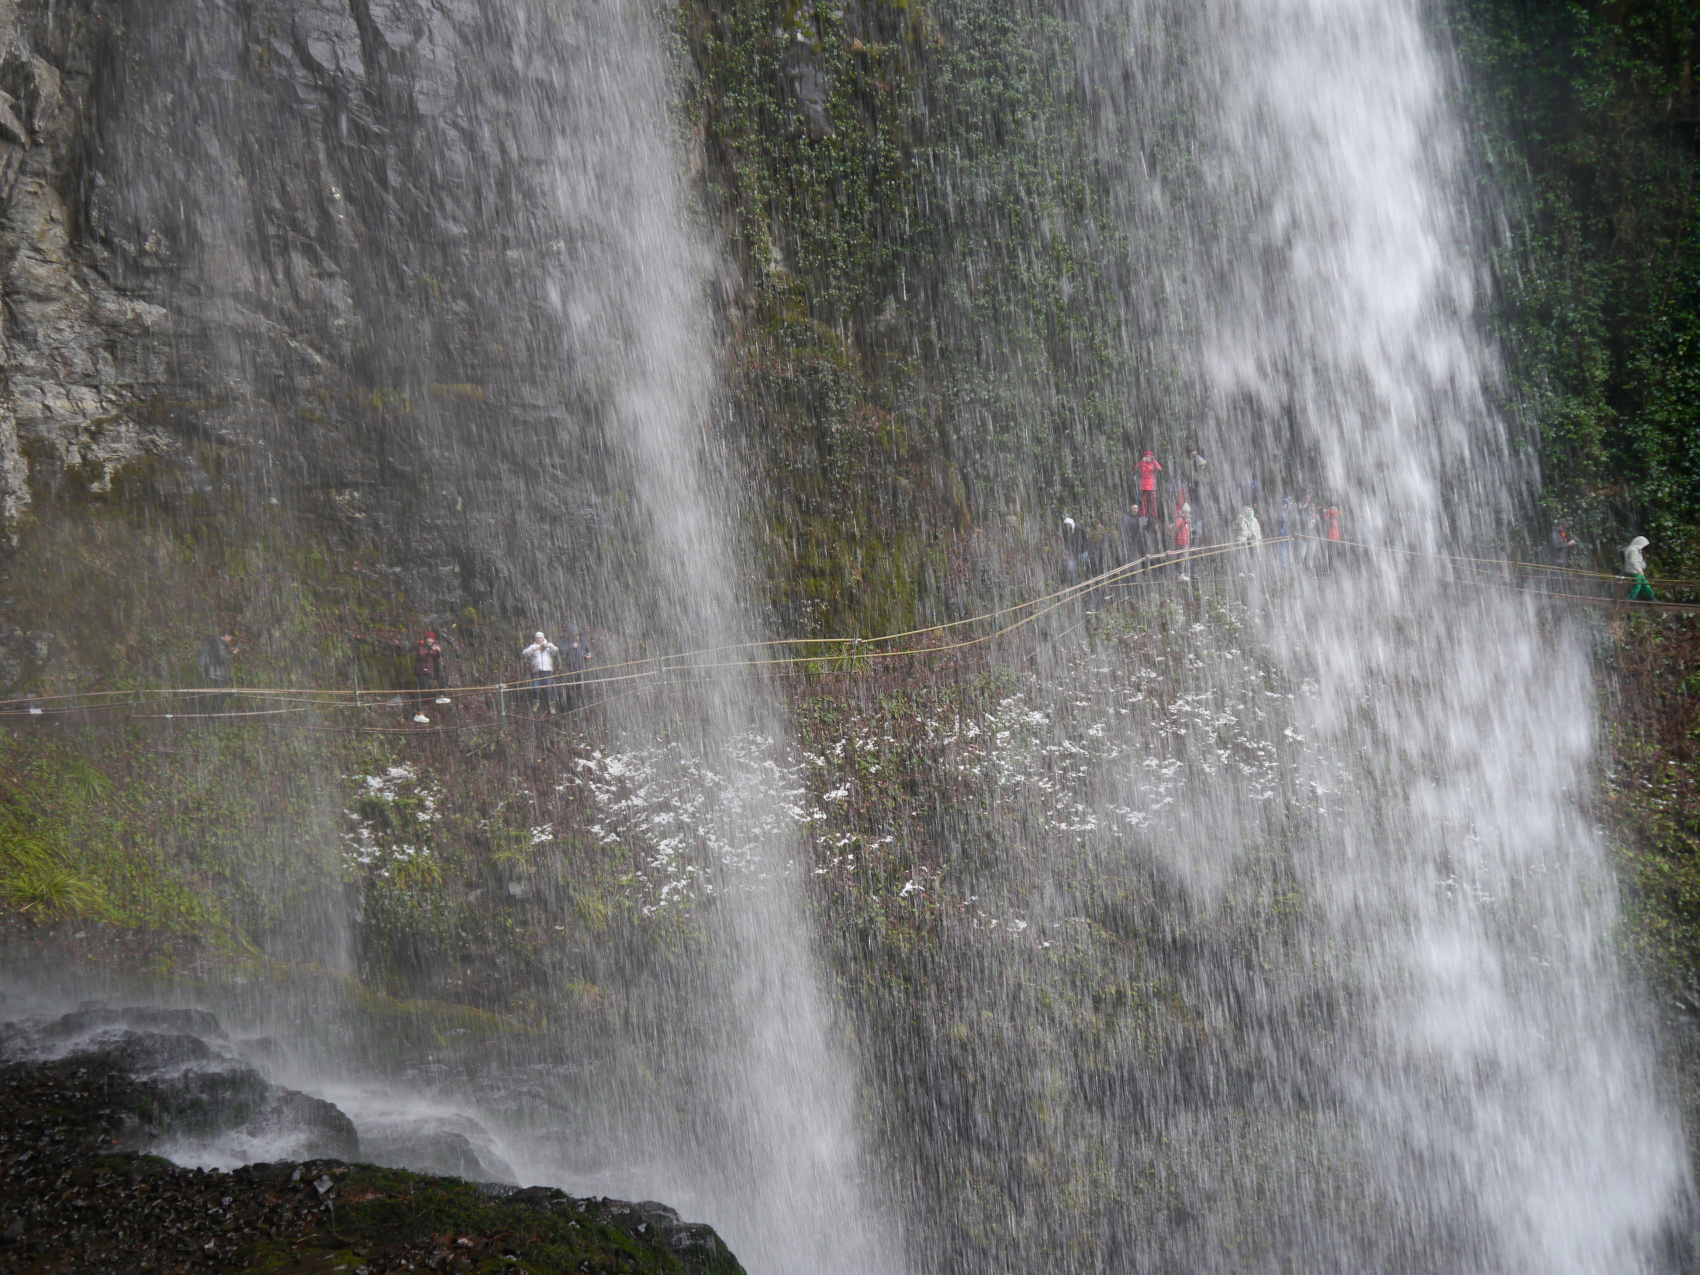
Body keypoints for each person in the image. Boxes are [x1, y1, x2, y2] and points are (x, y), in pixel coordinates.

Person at [196, 632, 238, 714]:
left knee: (221, 695)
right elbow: (222, 659)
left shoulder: (221, 644)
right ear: (226, 635)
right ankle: (214, 714)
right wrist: (233, 654)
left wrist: (230, 651)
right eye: (230, 638)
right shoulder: (218, 643)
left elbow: (222, 656)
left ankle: (216, 713)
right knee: (219, 695)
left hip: (219, 673)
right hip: (216, 673)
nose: (230, 640)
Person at [521, 630, 560, 713]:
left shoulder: (548, 644)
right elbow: (524, 653)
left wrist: (548, 646)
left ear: (543, 638)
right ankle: (536, 703)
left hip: (547, 670)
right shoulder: (532, 647)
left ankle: (552, 706)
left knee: (549, 688)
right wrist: (535, 649)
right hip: (536, 671)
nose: (539, 640)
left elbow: (556, 651)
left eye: (540, 638)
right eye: (537, 638)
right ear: (536, 639)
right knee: (536, 688)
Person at [411, 630, 444, 723]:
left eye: (432, 639)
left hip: (432, 671)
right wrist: (431, 650)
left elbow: (438, 657)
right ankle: (419, 713)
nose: (430, 640)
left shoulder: (435, 645)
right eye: (429, 638)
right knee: (423, 691)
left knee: (443, 678)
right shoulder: (422, 646)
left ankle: (440, 696)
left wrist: (438, 651)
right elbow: (421, 656)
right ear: (426, 639)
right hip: (423, 671)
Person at [561, 625, 593, 712]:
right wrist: (572, 646)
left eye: (578, 635)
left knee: (583, 687)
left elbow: (589, 649)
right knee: (572, 688)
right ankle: (573, 707)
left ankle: (584, 705)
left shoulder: (583, 640)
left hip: (582, 667)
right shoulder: (565, 640)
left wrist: (589, 654)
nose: (576, 637)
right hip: (571, 668)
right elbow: (561, 650)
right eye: (575, 635)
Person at [1624, 536, 1655, 601]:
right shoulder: (1633, 550)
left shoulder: (1633, 548)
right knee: (1637, 585)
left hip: (1636, 571)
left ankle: (1651, 597)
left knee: (1645, 583)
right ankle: (1629, 600)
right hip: (1634, 571)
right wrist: (1640, 570)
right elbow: (1634, 561)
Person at [1135, 450, 1163, 518]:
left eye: (1149, 457)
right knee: (1143, 502)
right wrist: (1142, 462)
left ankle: (1154, 516)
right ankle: (1143, 515)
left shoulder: (1153, 464)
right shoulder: (1142, 463)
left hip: (1151, 485)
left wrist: (1154, 461)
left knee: (1153, 502)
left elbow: (1160, 469)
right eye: (1146, 456)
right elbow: (1135, 469)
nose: (1148, 458)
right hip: (1143, 485)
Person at [1062, 517, 1089, 584]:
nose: (1067, 527)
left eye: (1068, 525)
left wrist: (1083, 546)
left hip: (1082, 550)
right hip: (1072, 552)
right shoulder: (1065, 532)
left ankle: (1086, 581)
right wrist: (1068, 550)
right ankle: (1075, 583)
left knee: (1085, 566)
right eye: (1066, 525)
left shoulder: (1079, 529)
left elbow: (1086, 538)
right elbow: (1066, 542)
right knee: (1071, 568)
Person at [1173, 501, 1193, 579]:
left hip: (1186, 541)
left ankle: (1183, 572)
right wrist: (1184, 522)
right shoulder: (1180, 519)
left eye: (1188, 512)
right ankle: (1180, 573)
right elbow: (1177, 528)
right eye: (1186, 512)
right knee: (1182, 558)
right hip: (1181, 541)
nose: (1187, 514)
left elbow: (1187, 530)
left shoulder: (1187, 520)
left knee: (1185, 557)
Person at [1276, 496, 1293, 567]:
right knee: (1281, 549)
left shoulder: (1291, 513)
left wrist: (1293, 532)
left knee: (1290, 549)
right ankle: (1283, 564)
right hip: (1281, 533)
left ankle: (1290, 563)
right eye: (1283, 504)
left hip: (1289, 533)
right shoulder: (1278, 513)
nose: (1284, 505)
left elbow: (1294, 523)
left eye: (1285, 504)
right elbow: (1276, 523)